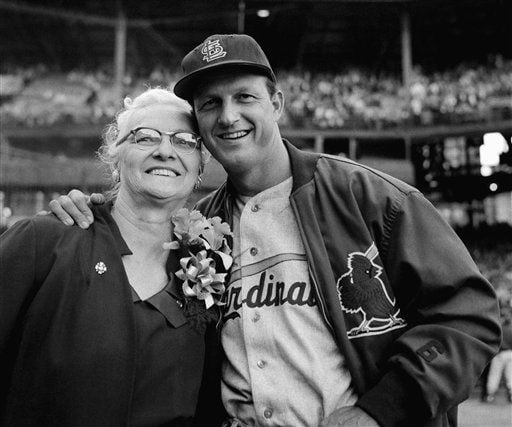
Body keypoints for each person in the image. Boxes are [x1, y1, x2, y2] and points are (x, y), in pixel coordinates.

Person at [47, 34, 501, 427]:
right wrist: (94, 216)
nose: (228, 117)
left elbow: (469, 314)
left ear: (277, 103)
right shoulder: (196, 232)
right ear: (199, 127)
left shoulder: (370, 198)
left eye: (244, 97)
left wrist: (380, 411)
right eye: (210, 104)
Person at [0, 88, 225, 426]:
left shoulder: (209, 270)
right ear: (116, 155)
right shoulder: (46, 241)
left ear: (199, 167)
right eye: (146, 138)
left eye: (184, 141)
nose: (166, 151)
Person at [484, 306, 512, 403]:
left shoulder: (499, 328)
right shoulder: (510, 328)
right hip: (510, 353)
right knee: (510, 376)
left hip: (500, 353)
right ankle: (511, 396)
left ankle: (490, 396)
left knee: (494, 375)